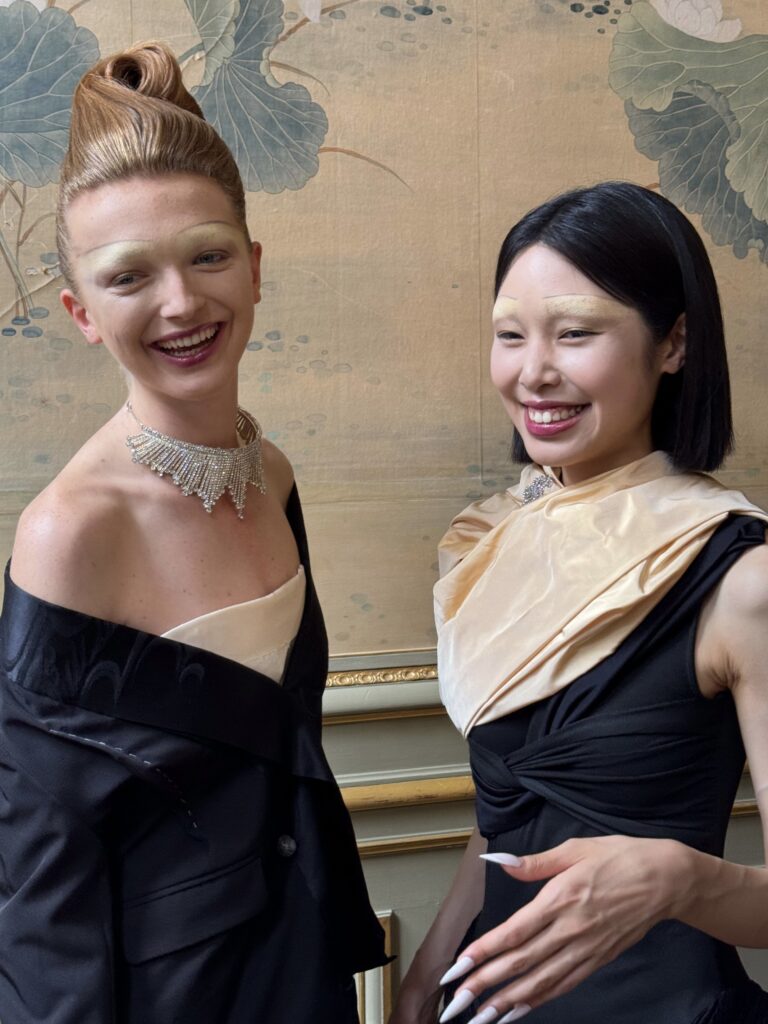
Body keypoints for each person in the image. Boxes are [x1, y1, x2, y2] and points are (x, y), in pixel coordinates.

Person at [0, 41, 386, 1024]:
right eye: (129, 277)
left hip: (306, 974)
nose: (181, 303)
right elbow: (42, 892)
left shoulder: (275, 475)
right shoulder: (68, 534)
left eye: (208, 256)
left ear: (254, 269)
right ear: (83, 312)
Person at [390, 182, 768, 1024]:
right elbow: (509, 813)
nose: (533, 371)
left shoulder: (744, 581)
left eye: (575, 333)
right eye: (510, 335)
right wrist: (427, 975)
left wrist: (683, 878)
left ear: (674, 343)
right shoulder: (491, 543)